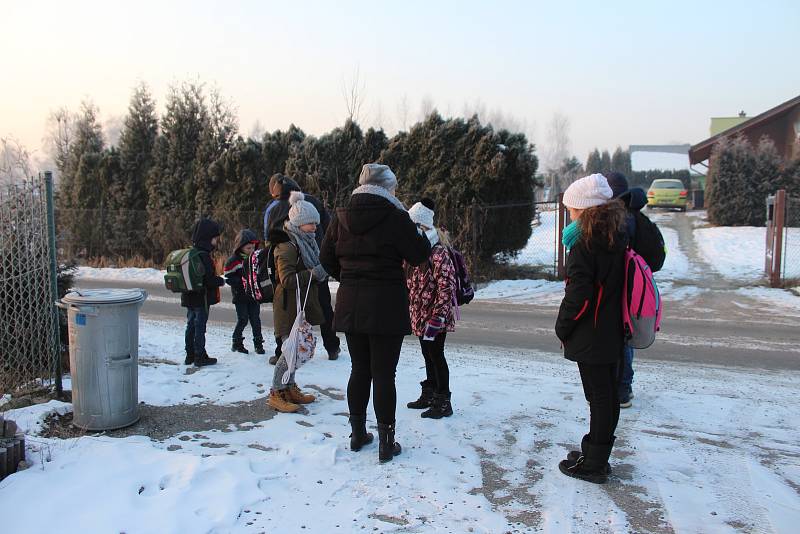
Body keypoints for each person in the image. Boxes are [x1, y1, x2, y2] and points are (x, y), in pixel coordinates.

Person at [320, 163, 431, 463]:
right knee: (384, 373)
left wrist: (350, 276)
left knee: (359, 369)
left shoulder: (340, 217)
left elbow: (325, 259)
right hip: (386, 304)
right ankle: (386, 442)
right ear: (386, 188)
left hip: (351, 302)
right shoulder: (396, 218)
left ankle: (357, 434)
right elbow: (420, 254)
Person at [555, 174, 628, 484]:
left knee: (599, 397)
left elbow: (580, 294)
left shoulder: (586, 243)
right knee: (607, 396)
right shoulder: (615, 234)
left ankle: (594, 464)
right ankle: (596, 453)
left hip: (593, 332)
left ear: (583, 210)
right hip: (612, 329)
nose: (569, 214)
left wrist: (563, 325)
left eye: (571, 209)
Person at [605, 172, 666, 409]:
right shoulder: (635, 215)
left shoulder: (622, 219)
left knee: (622, 338)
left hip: (625, 287)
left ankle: (622, 389)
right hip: (638, 286)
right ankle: (622, 386)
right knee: (626, 335)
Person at [264, 174, 340, 364]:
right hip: (316, 262)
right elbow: (330, 228)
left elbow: (268, 238)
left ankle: (281, 350)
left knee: (286, 308)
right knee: (323, 306)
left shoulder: (271, 208)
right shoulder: (312, 201)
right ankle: (332, 346)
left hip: (287, 263)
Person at [267, 191, 326, 413]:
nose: (315, 228)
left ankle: (289, 387)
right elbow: (288, 280)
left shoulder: (305, 243)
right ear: (300, 223)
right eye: (311, 223)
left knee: (296, 351)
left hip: (299, 305)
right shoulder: (287, 246)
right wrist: (314, 272)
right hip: (287, 307)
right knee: (289, 352)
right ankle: (276, 392)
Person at [405, 198, 457, 419]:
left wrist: (437, 318)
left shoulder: (437, 253)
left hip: (435, 318)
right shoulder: (414, 253)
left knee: (436, 355)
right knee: (428, 355)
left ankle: (443, 401)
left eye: (413, 227)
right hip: (420, 315)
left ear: (422, 226)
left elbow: (446, 287)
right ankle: (430, 393)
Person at [181, 218, 226, 367]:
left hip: (188, 297)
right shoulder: (203, 256)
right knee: (200, 327)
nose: (216, 241)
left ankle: (190, 355)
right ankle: (200, 356)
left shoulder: (190, 253)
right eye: (214, 238)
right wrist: (221, 280)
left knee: (190, 325)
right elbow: (209, 280)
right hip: (201, 299)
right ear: (207, 238)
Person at [224, 229, 265, 355]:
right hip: (240, 296)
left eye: (253, 247)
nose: (251, 250)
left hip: (253, 295)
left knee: (255, 320)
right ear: (240, 247)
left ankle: (258, 344)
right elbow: (228, 277)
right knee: (243, 319)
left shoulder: (256, 259)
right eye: (248, 248)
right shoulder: (234, 261)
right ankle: (237, 343)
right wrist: (241, 281)